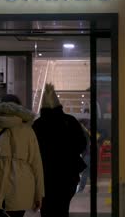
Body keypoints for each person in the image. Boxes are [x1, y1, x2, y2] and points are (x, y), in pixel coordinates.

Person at [33, 83, 87, 217]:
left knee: (46, 210)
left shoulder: (38, 125)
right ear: (58, 104)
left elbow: (32, 151)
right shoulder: (70, 121)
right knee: (63, 209)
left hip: (45, 175)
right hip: (67, 174)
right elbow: (82, 144)